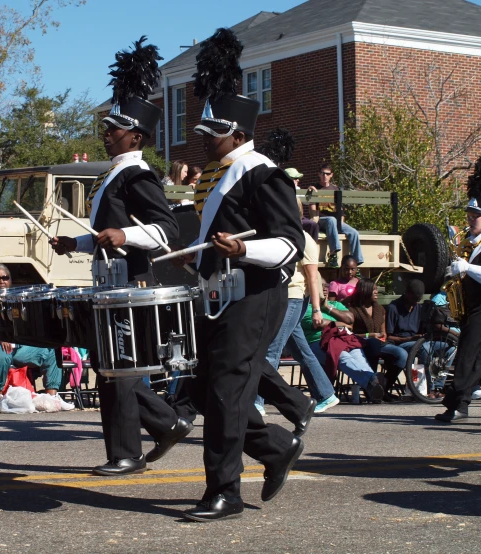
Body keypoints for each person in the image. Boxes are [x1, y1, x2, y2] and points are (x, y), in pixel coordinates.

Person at [173, 29, 306, 522]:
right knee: (209, 389)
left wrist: (243, 247)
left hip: (255, 296)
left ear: (238, 132)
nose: (204, 137)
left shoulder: (262, 172)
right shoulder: (222, 174)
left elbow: (291, 242)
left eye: (213, 131)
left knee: (228, 389)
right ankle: (275, 447)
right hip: (219, 294)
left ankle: (224, 491)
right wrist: (200, 257)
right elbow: (218, 239)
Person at [51, 38, 192, 476]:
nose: (106, 133)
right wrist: (76, 244)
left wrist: (124, 233)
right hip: (108, 279)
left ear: (136, 135)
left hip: (131, 283)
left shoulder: (137, 172)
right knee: (111, 366)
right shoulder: (111, 174)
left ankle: (129, 452)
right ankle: (163, 425)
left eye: (114, 128)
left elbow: (166, 230)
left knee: (118, 368)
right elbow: (105, 235)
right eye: (107, 126)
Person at [256, 197, 339, 417]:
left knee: (272, 348)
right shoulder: (279, 237)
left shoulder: (304, 240)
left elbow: (313, 277)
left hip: (293, 298)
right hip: (279, 297)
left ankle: (257, 401)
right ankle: (326, 394)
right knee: (301, 350)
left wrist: (317, 309)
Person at [0, 263, 74, 410]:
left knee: (50, 350)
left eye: (5, 278)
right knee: (1, 352)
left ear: (10, 280)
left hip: (17, 348)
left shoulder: (17, 302)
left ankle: (52, 398)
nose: (2, 282)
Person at [435, 189, 481, 422]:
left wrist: (467, 268)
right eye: (469, 215)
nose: (470, 220)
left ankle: (458, 405)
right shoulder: (473, 243)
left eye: (476, 216)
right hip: (473, 305)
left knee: (470, 352)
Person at [301, 279, 384, 402]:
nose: (324, 289)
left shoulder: (337, 305)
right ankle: (372, 380)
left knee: (358, 354)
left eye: (326, 286)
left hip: (344, 338)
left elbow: (350, 320)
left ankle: (372, 385)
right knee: (342, 356)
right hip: (318, 342)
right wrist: (340, 323)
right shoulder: (306, 308)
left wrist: (328, 307)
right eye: (320, 286)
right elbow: (319, 323)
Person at [308, 164, 363, 268]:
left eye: (327, 174)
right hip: (322, 220)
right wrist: (315, 218)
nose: (325, 176)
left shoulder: (335, 189)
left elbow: (340, 209)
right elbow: (312, 209)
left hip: (335, 221)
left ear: (331, 175)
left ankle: (357, 262)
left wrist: (341, 220)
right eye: (323, 173)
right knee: (331, 219)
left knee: (354, 232)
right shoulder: (314, 189)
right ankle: (333, 253)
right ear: (319, 174)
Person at [285, 168, 319, 243]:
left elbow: (306, 202)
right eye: (296, 178)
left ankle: (313, 248)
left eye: (298, 178)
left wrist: (309, 192)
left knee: (313, 225)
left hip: (299, 218)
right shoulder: (281, 189)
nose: (298, 180)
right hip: (287, 219)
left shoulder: (298, 189)